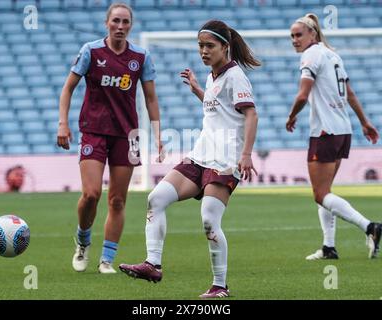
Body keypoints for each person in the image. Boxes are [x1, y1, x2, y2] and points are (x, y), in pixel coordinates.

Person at [119, 20, 260, 298]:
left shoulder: (236, 77)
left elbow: (251, 114)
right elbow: (216, 107)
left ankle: (220, 286)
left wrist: (245, 155)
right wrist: (198, 89)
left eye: (209, 46)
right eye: (200, 46)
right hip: (200, 156)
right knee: (156, 198)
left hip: (225, 160)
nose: (203, 51)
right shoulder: (212, 77)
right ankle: (153, 264)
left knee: (209, 219)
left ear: (225, 47)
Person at [57, 3, 162, 274]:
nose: (120, 26)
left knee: (117, 200)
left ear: (131, 25)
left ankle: (107, 260)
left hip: (127, 135)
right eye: (116, 21)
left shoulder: (141, 56)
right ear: (107, 23)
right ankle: (82, 241)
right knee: (91, 194)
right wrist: (63, 124)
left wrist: (158, 135)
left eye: (125, 22)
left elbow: (151, 98)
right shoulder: (91, 51)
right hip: (93, 130)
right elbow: (68, 88)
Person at [286, 13, 381, 260]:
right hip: (343, 130)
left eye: (298, 35)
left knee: (320, 194)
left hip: (325, 132)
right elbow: (349, 93)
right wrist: (364, 122)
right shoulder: (332, 54)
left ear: (312, 34)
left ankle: (370, 227)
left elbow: (302, 95)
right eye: (292, 36)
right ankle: (329, 247)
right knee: (325, 192)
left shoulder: (311, 55)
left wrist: (291, 116)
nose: (294, 40)